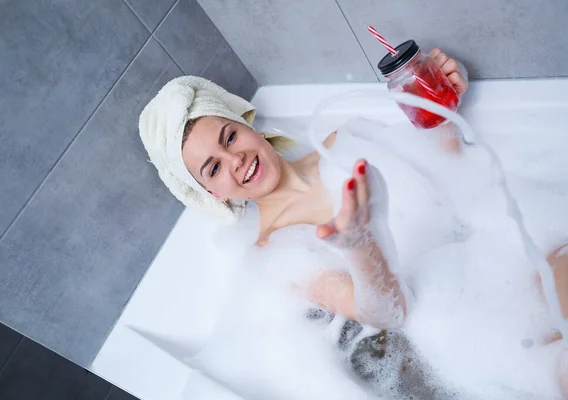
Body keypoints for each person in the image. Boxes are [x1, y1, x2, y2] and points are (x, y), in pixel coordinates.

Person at [139, 49, 568, 399]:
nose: (235, 161)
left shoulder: (344, 141)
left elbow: (452, 181)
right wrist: (361, 242)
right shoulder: (273, 252)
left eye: (229, 138)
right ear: (213, 194)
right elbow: (387, 313)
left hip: (483, 261)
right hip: (442, 331)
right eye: (213, 169)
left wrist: (441, 114)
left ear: (245, 125)